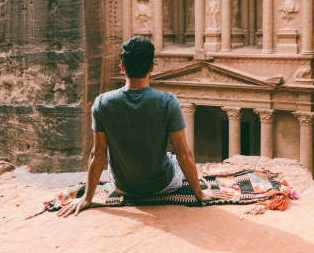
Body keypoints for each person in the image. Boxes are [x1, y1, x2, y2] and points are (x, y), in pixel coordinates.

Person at [58, 36, 229, 217]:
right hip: (161, 185)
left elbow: (98, 154)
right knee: (173, 159)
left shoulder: (102, 103)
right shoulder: (168, 102)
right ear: (152, 67)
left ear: (123, 67)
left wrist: (87, 197)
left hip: (123, 187)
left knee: (168, 157)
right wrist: (200, 193)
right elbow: (183, 153)